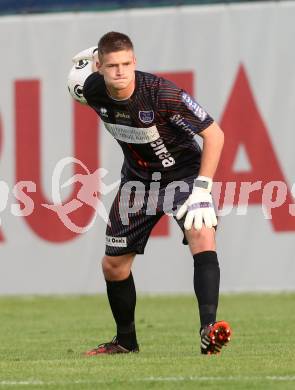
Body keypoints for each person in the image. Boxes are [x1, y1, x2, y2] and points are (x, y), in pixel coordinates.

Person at [68, 31, 231, 355]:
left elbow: (215, 135)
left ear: (135, 62)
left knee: (202, 234)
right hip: (138, 181)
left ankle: (208, 329)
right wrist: (89, 56)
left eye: (126, 63)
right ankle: (126, 342)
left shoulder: (161, 94)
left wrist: (201, 189)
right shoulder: (92, 89)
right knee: (113, 266)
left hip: (184, 176)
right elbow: (74, 80)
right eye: (112, 64)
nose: (120, 72)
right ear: (100, 66)